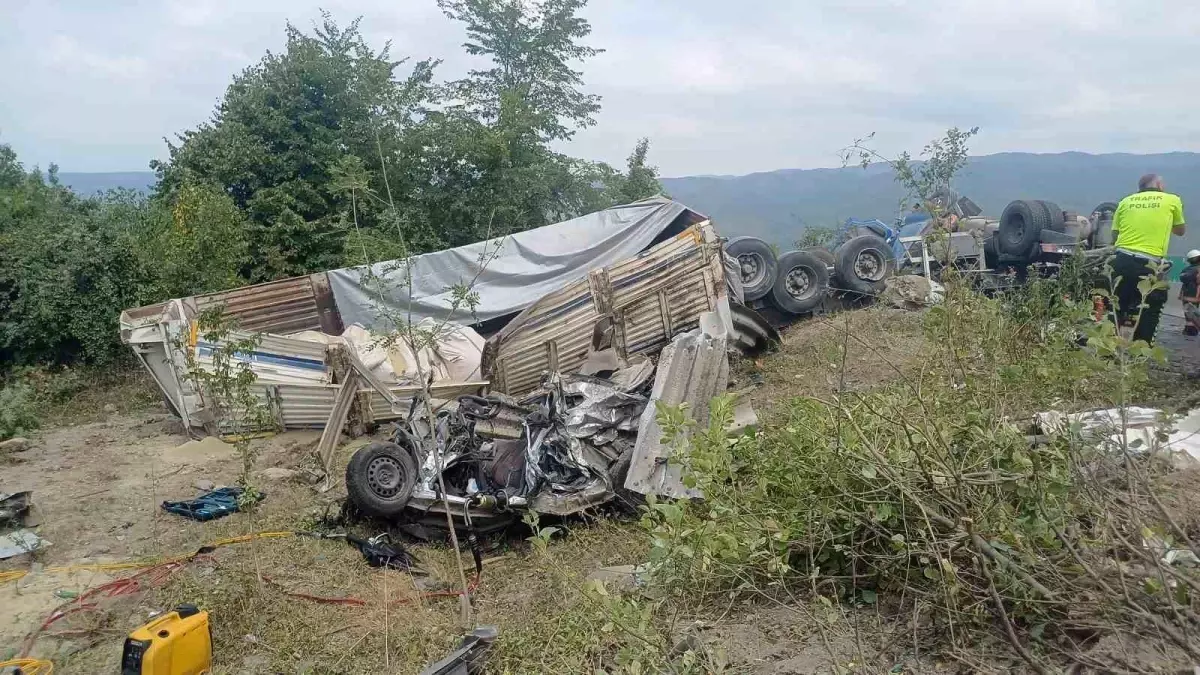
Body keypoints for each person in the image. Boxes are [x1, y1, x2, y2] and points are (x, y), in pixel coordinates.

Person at [1110, 173, 1187, 344]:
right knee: (1150, 307)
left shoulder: (1125, 201)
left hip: (1121, 260)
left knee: (1116, 305)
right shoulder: (1171, 200)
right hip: (1149, 264)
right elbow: (1181, 231)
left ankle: (1108, 351)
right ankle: (1140, 352)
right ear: (1159, 185)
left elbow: (1115, 234)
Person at [1180, 249, 1200, 336]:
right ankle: (1191, 329)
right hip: (1194, 294)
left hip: (1190, 294)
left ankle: (1191, 330)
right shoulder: (1195, 269)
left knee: (1189, 311)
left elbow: (1183, 278)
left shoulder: (1187, 270)